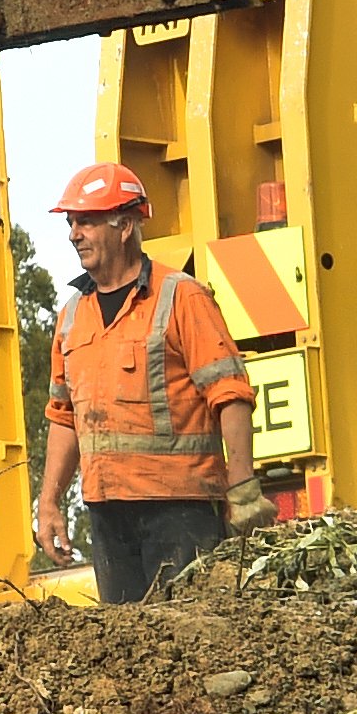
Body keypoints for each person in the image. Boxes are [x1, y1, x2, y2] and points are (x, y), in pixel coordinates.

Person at [32, 163, 270, 600]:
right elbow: (63, 417)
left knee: (191, 635)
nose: (73, 234)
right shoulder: (70, 317)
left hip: (181, 509)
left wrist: (243, 488)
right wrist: (49, 504)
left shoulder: (182, 297)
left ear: (124, 225)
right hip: (107, 514)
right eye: (71, 222)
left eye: (86, 220)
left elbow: (230, 394)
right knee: (130, 648)